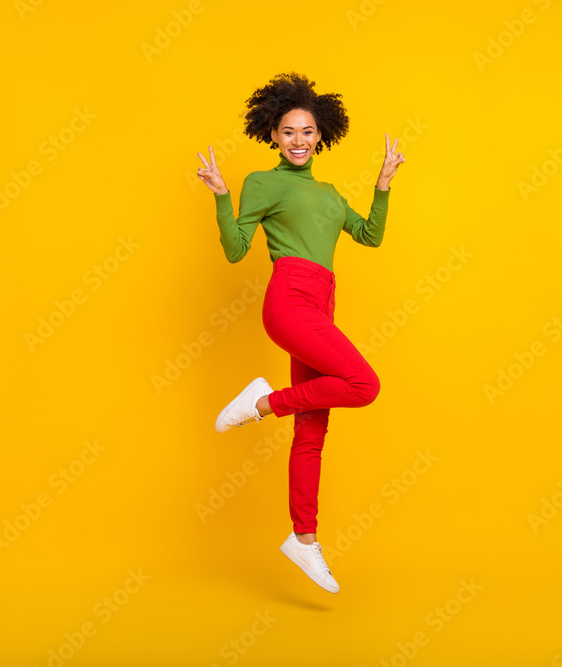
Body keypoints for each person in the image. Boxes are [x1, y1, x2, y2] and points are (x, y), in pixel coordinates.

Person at [196, 72, 405, 594]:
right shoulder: (263, 184)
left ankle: (304, 539)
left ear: (320, 136)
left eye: (306, 132)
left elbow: (371, 236)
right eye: (287, 132)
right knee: (364, 384)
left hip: (323, 302)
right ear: (272, 135)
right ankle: (263, 403)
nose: (297, 141)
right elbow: (236, 248)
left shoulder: (331, 195)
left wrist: (382, 184)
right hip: (289, 297)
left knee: (313, 430)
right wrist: (222, 196)